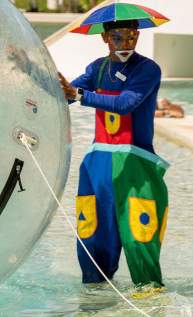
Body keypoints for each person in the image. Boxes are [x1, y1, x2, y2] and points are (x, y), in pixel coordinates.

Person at [58, 19, 169, 288]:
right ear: (105, 38)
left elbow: (126, 103)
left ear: (138, 36)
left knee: (139, 236)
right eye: (117, 37)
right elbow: (65, 93)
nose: (125, 44)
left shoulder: (147, 69)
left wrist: (80, 95)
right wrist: (28, 70)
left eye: (131, 36)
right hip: (98, 164)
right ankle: (95, 302)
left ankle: (149, 301)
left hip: (135, 165)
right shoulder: (98, 68)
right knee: (93, 236)